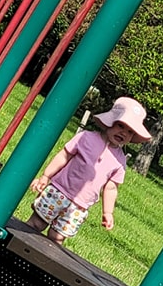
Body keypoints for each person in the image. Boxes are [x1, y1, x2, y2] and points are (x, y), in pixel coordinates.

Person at [27, 96, 151, 244]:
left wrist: (108, 212)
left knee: (57, 238)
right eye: (121, 126)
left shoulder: (120, 160)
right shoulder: (86, 137)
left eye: (130, 132)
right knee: (36, 223)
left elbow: (111, 188)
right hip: (59, 191)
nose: (124, 133)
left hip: (80, 206)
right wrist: (46, 176)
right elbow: (64, 156)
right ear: (110, 122)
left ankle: (40, 263)